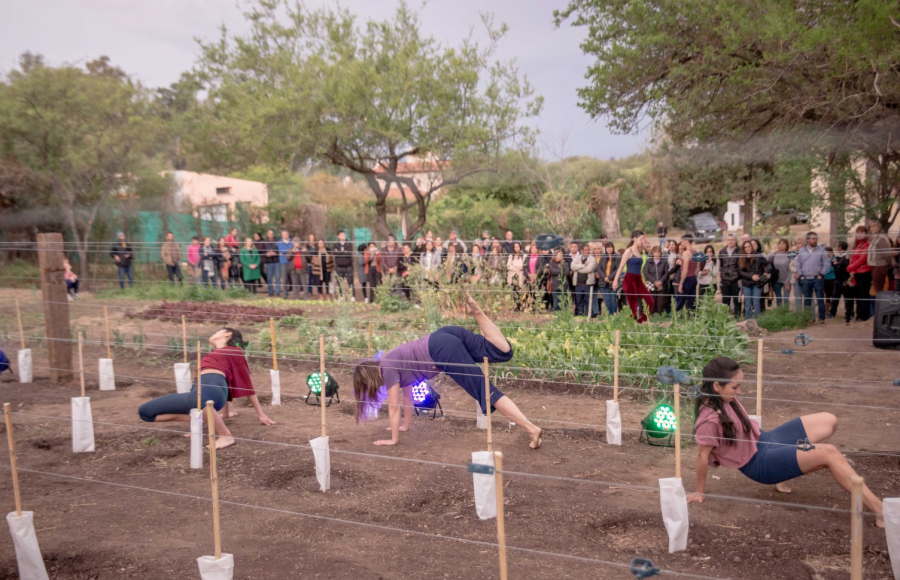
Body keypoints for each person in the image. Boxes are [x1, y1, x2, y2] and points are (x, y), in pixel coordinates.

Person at [686, 357, 884, 528]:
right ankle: (880, 510)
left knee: (829, 420)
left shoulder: (723, 397)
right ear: (716, 386)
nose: (739, 392)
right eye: (735, 387)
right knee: (829, 453)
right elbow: (702, 456)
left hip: (766, 439)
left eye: (740, 386)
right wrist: (699, 492)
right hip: (761, 463)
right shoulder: (709, 420)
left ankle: (788, 468)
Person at [352, 294, 543, 449]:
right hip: (444, 334)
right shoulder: (390, 361)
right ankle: (478, 313)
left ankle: (531, 429)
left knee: (485, 391)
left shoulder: (386, 369)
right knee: (502, 352)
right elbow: (407, 398)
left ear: (367, 380)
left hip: (441, 349)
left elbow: (393, 407)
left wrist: (393, 440)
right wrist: (404, 426)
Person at [137, 328, 276, 450]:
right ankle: (201, 419)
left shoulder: (235, 351)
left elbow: (245, 383)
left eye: (218, 331)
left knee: (198, 399)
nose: (214, 333)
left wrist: (261, 414)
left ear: (228, 334)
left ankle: (225, 435)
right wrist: (225, 414)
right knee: (146, 413)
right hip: (199, 391)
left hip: (212, 389)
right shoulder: (213, 353)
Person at [612, 231, 654, 323]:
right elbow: (621, 267)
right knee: (633, 306)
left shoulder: (640, 251)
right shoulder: (629, 251)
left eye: (643, 239)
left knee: (650, 301)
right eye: (641, 239)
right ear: (634, 238)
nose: (643, 241)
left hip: (638, 279)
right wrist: (615, 281)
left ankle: (641, 321)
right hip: (629, 279)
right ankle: (631, 324)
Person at [795, 232, 829, 324]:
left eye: (816, 239)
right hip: (805, 279)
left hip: (817, 278)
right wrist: (801, 275)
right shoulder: (801, 251)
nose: (815, 240)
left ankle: (821, 318)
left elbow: (827, 263)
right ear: (807, 240)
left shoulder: (821, 250)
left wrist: (821, 274)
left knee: (820, 298)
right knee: (807, 300)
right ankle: (808, 318)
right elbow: (798, 264)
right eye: (813, 239)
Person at [846, 226, 872, 324]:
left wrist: (849, 268)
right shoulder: (857, 245)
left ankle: (864, 316)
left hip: (864, 272)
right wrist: (851, 271)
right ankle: (859, 315)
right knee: (858, 295)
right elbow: (852, 258)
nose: (860, 234)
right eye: (858, 232)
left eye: (862, 232)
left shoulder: (867, 244)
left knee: (863, 295)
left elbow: (862, 259)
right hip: (856, 273)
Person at [738, 240, 766, 319]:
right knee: (747, 304)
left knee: (756, 302)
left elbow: (768, 265)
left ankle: (758, 322)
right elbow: (740, 271)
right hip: (746, 284)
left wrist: (766, 272)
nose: (747, 248)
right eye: (745, 247)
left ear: (752, 247)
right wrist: (751, 276)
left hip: (757, 283)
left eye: (749, 246)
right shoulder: (741, 258)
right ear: (743, 249)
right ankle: (748, 322)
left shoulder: (758, 256)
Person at [867, 221, 892, 297]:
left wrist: (889, 264)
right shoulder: (874, 238)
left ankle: (881, 307)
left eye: (874, 226)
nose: (872, 228)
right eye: (871, 227)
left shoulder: (882, 238)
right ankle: (878, 306)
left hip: (880, 265)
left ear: (879, 227)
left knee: (879, 289)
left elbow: (887, 255)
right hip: (873, 266)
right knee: (876, 288)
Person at [571, 243, 596, 316]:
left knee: (588, 301)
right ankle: (580, 315)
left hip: (587, 284)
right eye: (586, 250)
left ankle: (589, 316)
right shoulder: (577, 258)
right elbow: (572, 266)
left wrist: (578, 269)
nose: (587, 251)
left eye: (588, 250)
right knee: (579, 301)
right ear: (581, 250)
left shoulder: (592, 259)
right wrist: (582, 266)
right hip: (578, 284)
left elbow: (589, 269)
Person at [718, 234, 741, 316]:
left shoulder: (740, 250)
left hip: (736, 279)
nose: (730, 242)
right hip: (725, 279)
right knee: (725, 300)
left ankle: (737, 317)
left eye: (732, 240)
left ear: (736, 241)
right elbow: (719, 265)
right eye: (728, 240)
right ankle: (725, 318)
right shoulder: (722, 251)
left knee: (737, 300)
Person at [644, 246, 669, 315]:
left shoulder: (664, 261)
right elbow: (646, 273)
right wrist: (654, 282)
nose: (657, 254)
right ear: (652, 253)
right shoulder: (649, 261)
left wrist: (660, 282)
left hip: (662, 287)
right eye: (655, 252)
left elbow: (666, 273)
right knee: (652, 304)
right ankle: (652, 320)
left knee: (660, 305)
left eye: (658, 252)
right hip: (652, 286)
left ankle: (660, 319)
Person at [767, 239, 792, 308]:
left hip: (786, 280)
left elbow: (791, 269)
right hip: (776, 280)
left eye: (783, 244)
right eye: (780, 243)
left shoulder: (790, 254)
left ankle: (786, 313)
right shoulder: (774, 254)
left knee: (786, 298)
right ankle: (780, 312)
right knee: (779, 298)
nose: (781, 245)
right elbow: (765, 259)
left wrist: (788, 283)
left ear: (786, 245)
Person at [829, 241, 851, 320]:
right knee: (835, 297)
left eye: (838, 247)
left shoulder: (846, 257)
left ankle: (849, 313)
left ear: (840, 247)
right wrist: (834, 264)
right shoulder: (838, 257)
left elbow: (847, 267)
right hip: (837, 280)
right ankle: (832, 313)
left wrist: (837, 264)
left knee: (847, 298)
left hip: (845, 280)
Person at [597, 241, 620, 315]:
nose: (609, 249)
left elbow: (618, 269)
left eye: (610, 247)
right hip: (603, 282)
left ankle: (613, 315)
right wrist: (604, 277)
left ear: (613, 248)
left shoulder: (617, 257)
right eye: (607, 247)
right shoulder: (603, 256)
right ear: (605, 249)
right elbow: (599, 268)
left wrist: (609, 277)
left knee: (613, 300)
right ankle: (609, 315)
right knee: (606, 300)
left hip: (613, 281)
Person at [675, 235, 697, 311]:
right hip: (693, 278)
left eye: (682, 241)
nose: (681, 243)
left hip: (687, 278)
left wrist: (681, 283)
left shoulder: (686, 253)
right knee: (692, 301)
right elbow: (697, 268)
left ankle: (675, 318)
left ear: (687, 241)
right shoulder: (695, 252)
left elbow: (685, 270)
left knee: (679, 301)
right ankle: (694, 318)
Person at [332, 230, 355, 300]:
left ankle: (352, 296)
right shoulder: (335, 245)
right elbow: (334, 253)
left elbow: (349, 254)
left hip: (348, 266)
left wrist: (339, 252)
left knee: (350, 282)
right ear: (338, 236)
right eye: (342, 235)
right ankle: (341, 296)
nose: (343, 236)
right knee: (339, 283)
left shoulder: (349, 244)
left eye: (344, 234)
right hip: (339, 267)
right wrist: (343, 252)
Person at [262, 230, 280, 297]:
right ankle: (270, 292)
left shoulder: (277, 241)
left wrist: (276, 253)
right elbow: (262, 251)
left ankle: (277, 292)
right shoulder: (265, 242)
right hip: (269, 262)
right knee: (269, 278)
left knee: (277, 277)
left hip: (276, 261)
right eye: (269, 233)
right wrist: (266, 254)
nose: (271, 235)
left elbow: (280, 250)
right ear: (267, 234)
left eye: (272, 233)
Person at [277, 230, 294, 299]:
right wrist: (289, 250)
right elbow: (281, 250)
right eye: (283, 235)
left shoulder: (292, 242)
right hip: (283, 263)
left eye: (286, 234)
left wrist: (286, 251)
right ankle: (285, 295)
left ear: (288, 234)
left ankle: (295, 295)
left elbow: (293, 250)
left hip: (291, 262)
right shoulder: (279, 242)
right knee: (284, 280)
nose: (284, 236)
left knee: (293, 279)